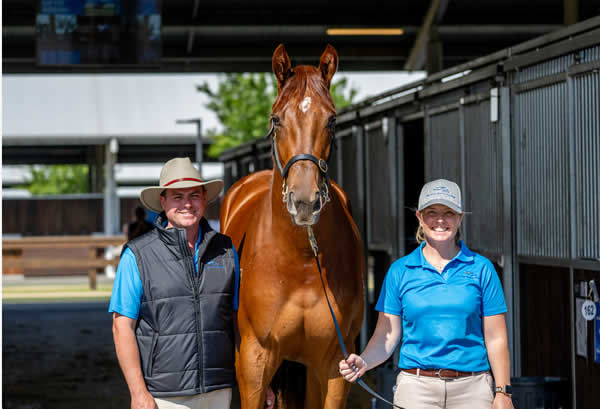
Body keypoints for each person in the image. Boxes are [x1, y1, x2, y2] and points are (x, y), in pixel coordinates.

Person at [109, 157, 275, 409]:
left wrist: (260, 381)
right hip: (163, 395)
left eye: (194, 195)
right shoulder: (137, 254)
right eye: (177, 197)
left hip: (218, 391)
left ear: (205, 199)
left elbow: (241, 325)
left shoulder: (226, 250)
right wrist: (138, 392)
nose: (187, 204)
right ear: (163, 202)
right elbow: (122, 328)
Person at [339, 179, 514, 409]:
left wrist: (503, 393)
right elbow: (386, 336)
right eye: (432, 212)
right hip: (416, 389)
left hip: (472, 389)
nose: (440, 220)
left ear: (460, 218)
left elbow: (496, 338)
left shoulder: (481, 269)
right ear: (419, 217)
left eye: (449, 212)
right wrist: (363, 361)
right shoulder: (400, 271)